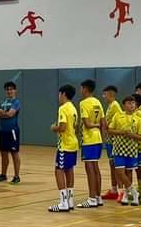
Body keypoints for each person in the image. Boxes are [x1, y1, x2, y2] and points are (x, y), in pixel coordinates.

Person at [108, 95, 141, 206]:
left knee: (129, 172)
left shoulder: (138, 119)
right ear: (124, 105)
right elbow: (110, 130)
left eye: (133, 103)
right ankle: (134, 192)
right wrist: (121, 132)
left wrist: (132, 135)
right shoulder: (118, 116)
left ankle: (127, 195)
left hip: (131, 149)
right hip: (119, 148)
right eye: (129, 103)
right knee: (119, 171)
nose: (131, 105)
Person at [49, 84, 79, 213]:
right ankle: (70, 200)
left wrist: (53, 127)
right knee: (69, 170)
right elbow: (76, 128)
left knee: (59, 170)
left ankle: (63, 202)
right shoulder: (73, 108)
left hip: (65, 145)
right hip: (73, 143)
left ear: (63, 94)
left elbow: (62, 128)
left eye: (59, 94)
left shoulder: (63, 108)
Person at [77, 80, 104, 209]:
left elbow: (87, 124)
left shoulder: (83, 103)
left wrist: (95, 125)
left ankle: (92, 198)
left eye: (81, 88)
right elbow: (103, 122)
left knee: (90, 169)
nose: (80, 90)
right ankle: (98, 197)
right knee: (96, 168)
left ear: (85, 89)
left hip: (89, 139)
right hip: (98, 138)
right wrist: (99, 125)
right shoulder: (97, 102)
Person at [0, 81, 21, 184]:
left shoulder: (16, 102)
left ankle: (17, 176)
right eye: (7, 89)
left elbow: (11, 114)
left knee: (14, 153)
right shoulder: (3, 103)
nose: (9, 91)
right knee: (3, 154)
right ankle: (3, 174)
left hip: (12, 131)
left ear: (15, 90)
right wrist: (2, 113)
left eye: (11, 89)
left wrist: (3, 113)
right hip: (3, 131)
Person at [101, 85, 123, 200]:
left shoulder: (115, 106)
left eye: (104, 94)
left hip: (114, 141)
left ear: (110, 94)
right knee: (112, 165)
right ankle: (114, 189)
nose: (103, 97)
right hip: (109, 140)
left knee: (117, 165)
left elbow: (120, 120)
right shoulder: (109, 106)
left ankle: (121, 190)